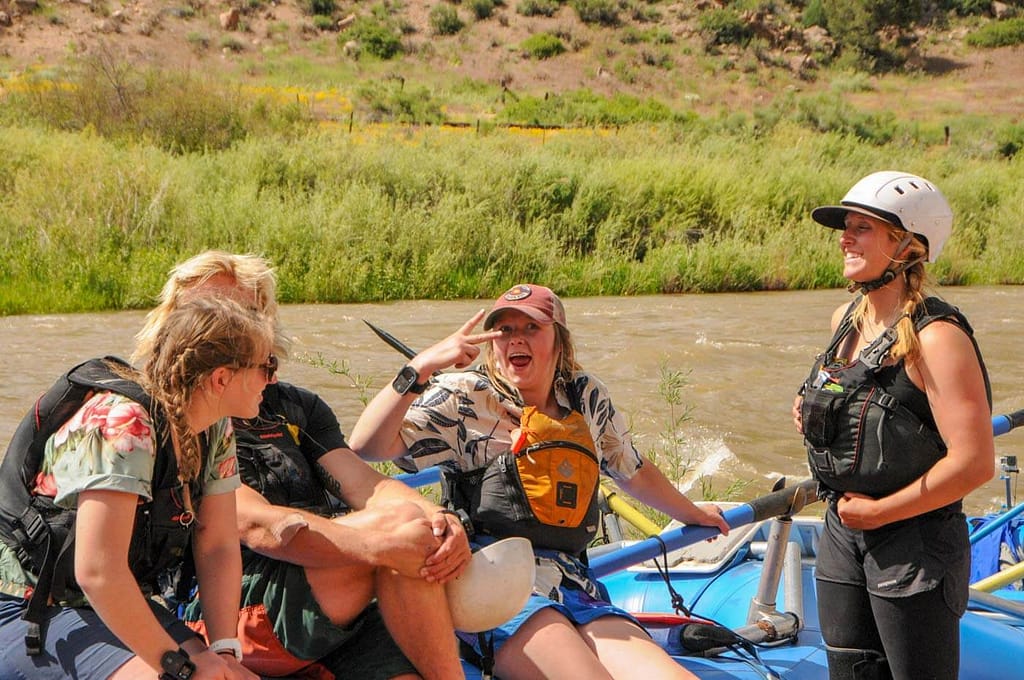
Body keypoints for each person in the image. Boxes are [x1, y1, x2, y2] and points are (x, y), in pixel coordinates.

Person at [349, 283, 731, 680]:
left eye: (531, 328)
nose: (517, 339)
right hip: (495, 583)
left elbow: (630, 467)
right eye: (504, 331)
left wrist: (692, 512)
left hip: (574, 581)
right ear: (492, 344)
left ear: (559, 342)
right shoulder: (464, 397)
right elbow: (367, 445)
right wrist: (420, 369)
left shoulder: (586, 397)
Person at [133, 251, 470, 680]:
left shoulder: (294, 408)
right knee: (401, 540)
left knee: (410, 531)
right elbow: (255, 525)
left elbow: (367, 484)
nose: (230, 326)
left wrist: (439, 519)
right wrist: (383, 542)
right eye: (209, 312)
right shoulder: (178, 417)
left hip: (335, 584)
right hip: (235, 601)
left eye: (244, 313)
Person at [0, 296, 272, 680]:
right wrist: (179, 667)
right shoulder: (126, 423)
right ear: (222, 378)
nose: (272, 379)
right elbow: (97, 571)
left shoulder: (213, 427)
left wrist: (224, 651)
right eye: (266, 366)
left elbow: (217, 545)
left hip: (101, 604)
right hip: (30, 606)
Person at [792, 171, 994, 680]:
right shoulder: (846, 319)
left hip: (915, 546)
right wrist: (812, 413)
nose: (845, 237)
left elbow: (974, 463)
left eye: (862, 227)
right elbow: (861, 405)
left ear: (907, 245)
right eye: (846, 226)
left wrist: (882, 512)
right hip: (843, 535)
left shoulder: (938, 338)